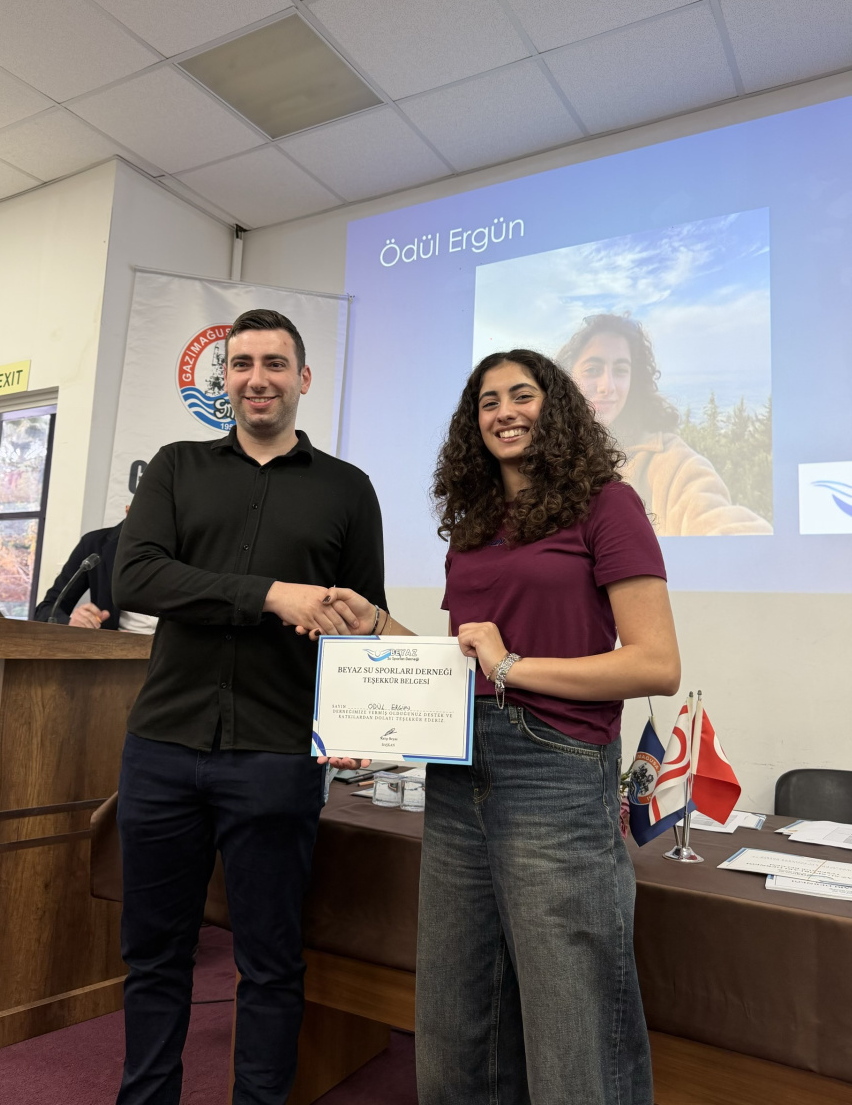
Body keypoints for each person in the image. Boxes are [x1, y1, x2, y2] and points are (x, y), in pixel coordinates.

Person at [324, 349, 681, 1105]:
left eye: (522, 395)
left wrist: (514, 665)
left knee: (572, 1016)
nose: (505, 412)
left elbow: (656, 664)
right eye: (488, 402)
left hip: (556, 767)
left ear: (557, 408)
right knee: (458, 1014)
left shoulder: (608, 504)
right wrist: (375, 625)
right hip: (461, 770)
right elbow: (466, 664)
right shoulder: (474, 526)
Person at [111, 308, 383, 1105]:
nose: (257, 379)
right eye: (241, 364)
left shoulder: (347, 489)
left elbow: (362, 623)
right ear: (223, 378)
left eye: (274, 364)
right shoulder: (176, 466)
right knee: (154, 956)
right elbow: (137, 578)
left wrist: (363, 718)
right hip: (163, 746)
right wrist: (270, 594)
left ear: (303, 378)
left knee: (270, 963)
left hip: (277, 754)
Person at [557, 313, 772, 535]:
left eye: (620, 370)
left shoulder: (666, 460)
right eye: (592, 370)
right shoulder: (544, 453)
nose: (607, 386)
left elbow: (711, 516)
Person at [33, 509, 156, 631]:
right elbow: (47, 609)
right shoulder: (94, 544)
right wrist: (72, 622)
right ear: (129, 509)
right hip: (115, 641)